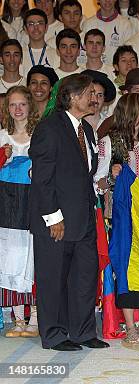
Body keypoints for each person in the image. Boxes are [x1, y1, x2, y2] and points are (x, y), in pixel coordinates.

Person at [29, 73, 109, 351]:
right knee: (53, 280)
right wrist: (54, 217)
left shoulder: (86, 130)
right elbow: (42, 178)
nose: (95, 98)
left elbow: (84, 175)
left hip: (84, 219)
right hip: (57, 221)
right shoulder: (50, 128)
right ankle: (54, 334)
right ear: (73, 97)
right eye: (90, 93)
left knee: (84, 278)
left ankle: (83, 332)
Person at [94, 92, 139, 343]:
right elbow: (97, 182)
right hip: (123, 213)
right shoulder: (108, 143)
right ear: (133, 113)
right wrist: (113, 176)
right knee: (124, 265)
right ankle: (130, 325)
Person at [0, 86, 39, 338]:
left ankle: (34, 318)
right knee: (10, 256)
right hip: (7, 206)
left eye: (22, 104)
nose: (17, 109)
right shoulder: (2, 136)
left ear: (29, 106)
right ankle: (17, 320)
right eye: (12, 105)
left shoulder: (40, 134)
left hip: (32, 204)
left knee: (33, 257)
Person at [82, 0, 135, 65]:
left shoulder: (125, 24)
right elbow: (84, 52)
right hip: (93, 71)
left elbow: (128, 54)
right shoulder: (88, 24)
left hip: (116, 72)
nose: (107, 1)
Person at [20, 8, 58, 76]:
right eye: (31, 24)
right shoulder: (19, 54)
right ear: (25, 29)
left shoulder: (55, 54)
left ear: (46, 27)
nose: (36, 28)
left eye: (40, 23)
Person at [82, 69, 117, 134]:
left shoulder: (111, 124)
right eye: (91, 94)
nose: (95, 99)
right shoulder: (75, 123)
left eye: (99, 95)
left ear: (104, 98)